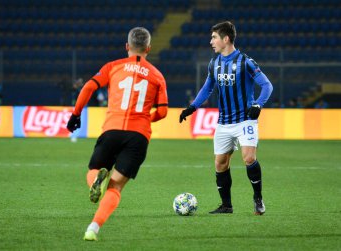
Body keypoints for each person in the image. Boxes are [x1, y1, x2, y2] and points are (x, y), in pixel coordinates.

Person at [66, 27, 168, 241]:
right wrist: (144, 120)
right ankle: (93, 228)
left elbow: (88, 88)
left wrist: (76, 114)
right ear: (149, 48)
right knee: (116, 187)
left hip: (112, 129)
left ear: (127, 46)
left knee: (94, 169)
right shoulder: (157, 75)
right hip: (138, 136)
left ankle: (96, 181)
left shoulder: (112, 67)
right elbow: (162, 111)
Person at [179, 21, 273, 215]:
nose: (211, 41)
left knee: (249, 157)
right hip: (224, 122)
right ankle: (226, 206)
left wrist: (258, 104)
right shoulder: (214, 63)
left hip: (245, 120)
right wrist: (192, 107)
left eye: (214, 37)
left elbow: (267, 86)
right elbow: (207, 88)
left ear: (226, 39)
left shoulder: (246, 62)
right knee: (221, 163)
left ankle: (257, 198)